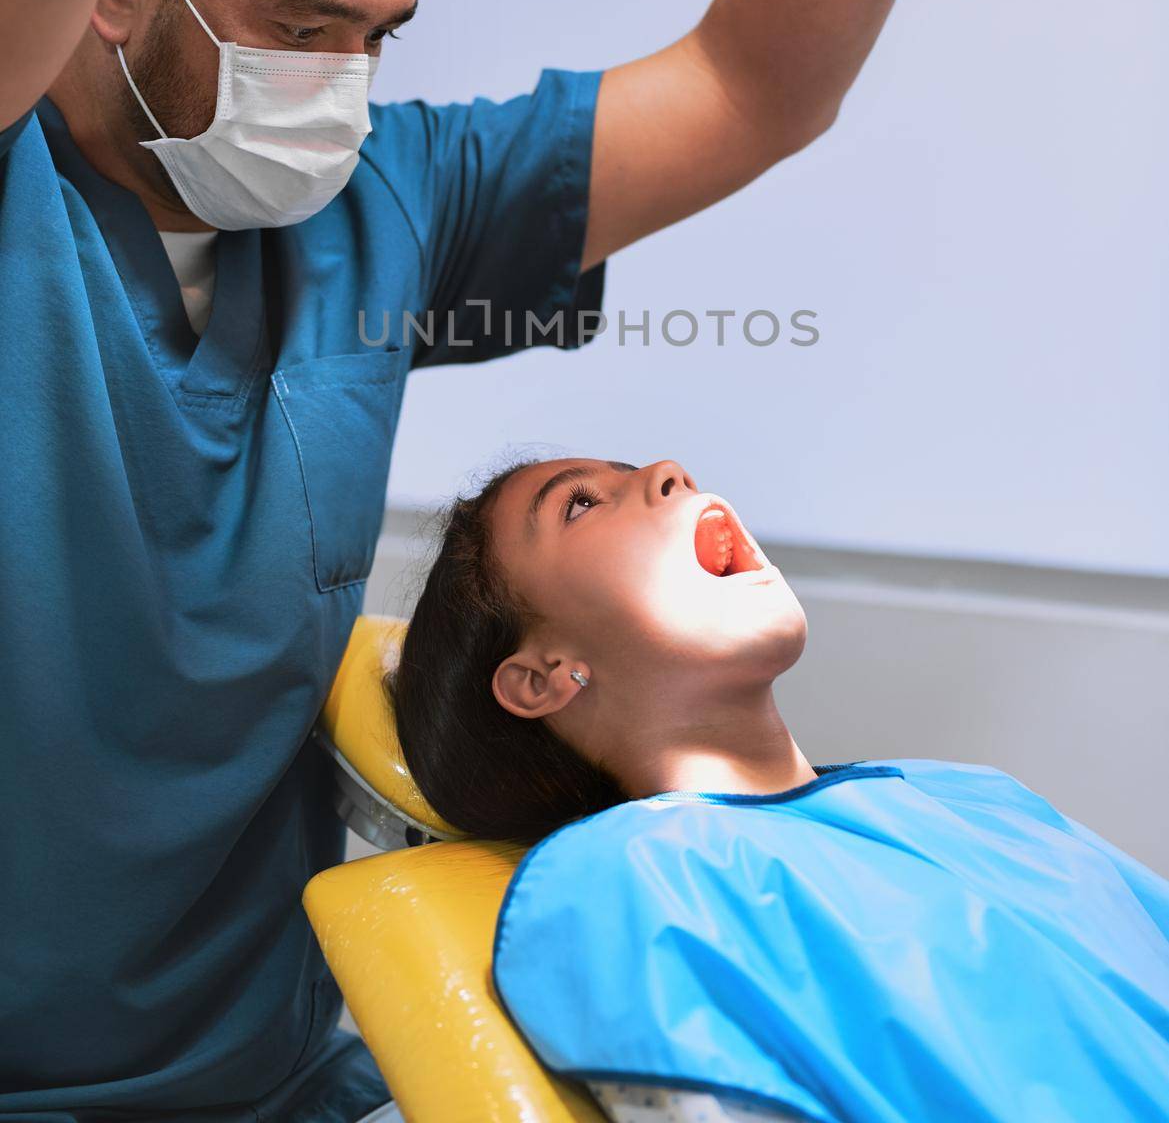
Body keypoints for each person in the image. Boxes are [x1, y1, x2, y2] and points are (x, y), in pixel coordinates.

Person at [0, 0, 1015, 1117]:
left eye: (376, 38)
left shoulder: (380, 202)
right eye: (298, 28)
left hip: (272, 1073)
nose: (339, 85)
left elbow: (758, 88)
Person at [390, 456, 1169, 1122]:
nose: (669, 472)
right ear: (544, 677)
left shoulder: (970, 798)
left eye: (638, 473)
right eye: (580, 503)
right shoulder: (633, 881)